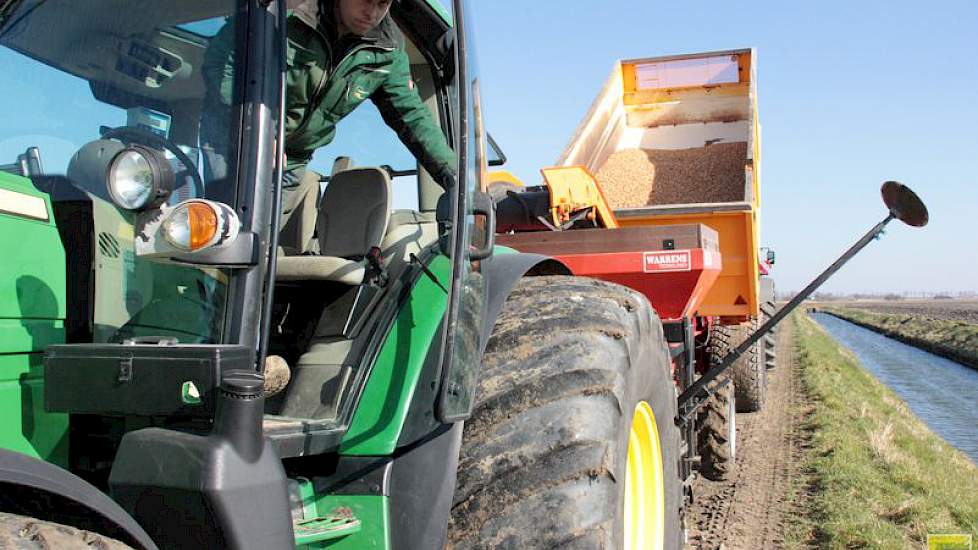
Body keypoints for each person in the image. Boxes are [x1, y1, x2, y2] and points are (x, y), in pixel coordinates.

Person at [201, 0, 456, 251]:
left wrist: (455, 178)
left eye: (383, 4)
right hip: (235, 144)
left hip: (293, 162)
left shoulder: (387, 51)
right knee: (219, 239)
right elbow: (221, 62)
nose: (373, 13)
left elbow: (412, 117)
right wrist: (259, 127)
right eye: (366, 0)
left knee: (255, 247)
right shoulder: (287, 12)